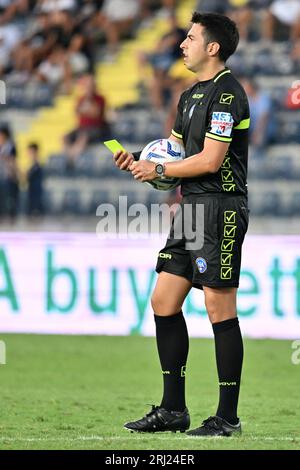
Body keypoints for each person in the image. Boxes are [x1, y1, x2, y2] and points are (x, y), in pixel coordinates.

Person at [114, 12, 250, 437]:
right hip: (190, 208)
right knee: (164, 302)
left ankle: (227, 417)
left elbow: (210, 160)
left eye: (190, 38)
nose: (181, 44)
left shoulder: (227, 95)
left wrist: (159, 171)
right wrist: (139, 161)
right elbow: (172, 152)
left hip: (221, 208)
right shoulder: (189, 96)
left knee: (218, 308)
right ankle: (174, 409)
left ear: (213, 47)